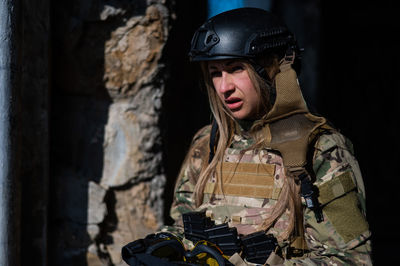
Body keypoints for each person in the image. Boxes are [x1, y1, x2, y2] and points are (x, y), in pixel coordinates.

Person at [123, 7, 372, 266]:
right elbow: (185, 226)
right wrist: (167, 244)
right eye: (215, 73)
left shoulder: (320, 150)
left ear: (271, 69)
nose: (224, 87)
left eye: (235, 69)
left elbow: (352, 260)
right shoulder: (208, 145)